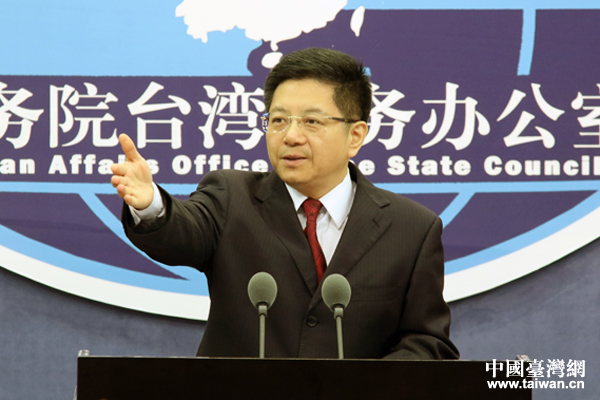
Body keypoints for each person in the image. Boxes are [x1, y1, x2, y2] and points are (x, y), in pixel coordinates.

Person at [111, 47, 459, 360]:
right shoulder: (231, 197)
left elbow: (427, 343)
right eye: (278, 120)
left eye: (311, 121)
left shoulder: (411, 228)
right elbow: (182, 232)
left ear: (355, 136)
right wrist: (151, 204)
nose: (291, 136)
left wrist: (365, 390)